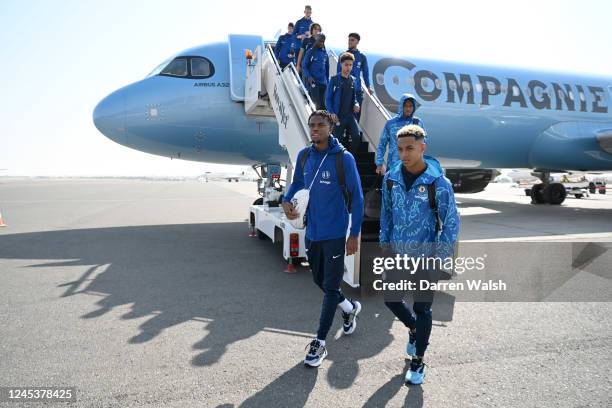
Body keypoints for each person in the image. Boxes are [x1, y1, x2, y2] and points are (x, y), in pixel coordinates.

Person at [282, 110, 365, 368]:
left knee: (330, 288)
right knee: (318, 280)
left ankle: (319, 342)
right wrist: (286, 199)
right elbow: (296, 183)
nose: (315, 129)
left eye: (320, 125)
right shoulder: (304, 156)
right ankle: (350, 308)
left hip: (336, 234)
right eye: (312, 125)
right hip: (312, 232)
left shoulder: (344, 159)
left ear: (331, 127)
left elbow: (358, 197)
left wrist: (354, 234)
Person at [379, 124, 460, 385]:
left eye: (410, 148)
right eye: (400, 149)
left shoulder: (439, 183)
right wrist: (385, 244)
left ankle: (419, 360)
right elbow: (386, 214)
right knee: (391, 299)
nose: (404, 154)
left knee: (423, 308)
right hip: (398, 252)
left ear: (422, 147)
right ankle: (414, 329)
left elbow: (451, 222)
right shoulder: (391, 178)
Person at [375, 94, 426, 175]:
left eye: (411, 106)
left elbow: (423, 143)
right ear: (401, 106)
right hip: (393, 166)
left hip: (412, 166)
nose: (408, 109)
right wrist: (379, 164)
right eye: (406, 106)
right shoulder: (391, 123)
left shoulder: (417, 123)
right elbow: (382, 144)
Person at [325, 52, 361, 155]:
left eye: (350, 65)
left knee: (356, 136)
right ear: (341, 64)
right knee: (337, 141)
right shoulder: (334, 80)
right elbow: (328, 99)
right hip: (338, 116)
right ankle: (336, 159)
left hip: (350, 116)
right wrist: (331, 112)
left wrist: (356, 104)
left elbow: (354, 98)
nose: (348, 67)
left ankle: (350, 157)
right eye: (346, 65)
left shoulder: (353, 80)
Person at [336, 33, 372, 122]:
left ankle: (352, 134)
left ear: (357, 42)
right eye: (349, 40)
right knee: (343, 115)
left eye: (352, 40)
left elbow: (365, 73)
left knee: (355, 116)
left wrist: (368, 87)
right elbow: (338, 72)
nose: (349, 42)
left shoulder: (362, 57)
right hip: (344, 90)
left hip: (357, 90)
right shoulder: (343, 55)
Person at [302, 34, 329, 110]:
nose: (322, 43)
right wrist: (309, 76)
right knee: (316, 104)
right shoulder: (310, 52)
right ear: (316, 41)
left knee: (324, 106)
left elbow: (327, 69)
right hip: (313, 82)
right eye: (320, 41)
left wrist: (328, 82)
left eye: (323, 42)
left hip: (323, 83)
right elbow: (304, 66)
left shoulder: (325, 54)